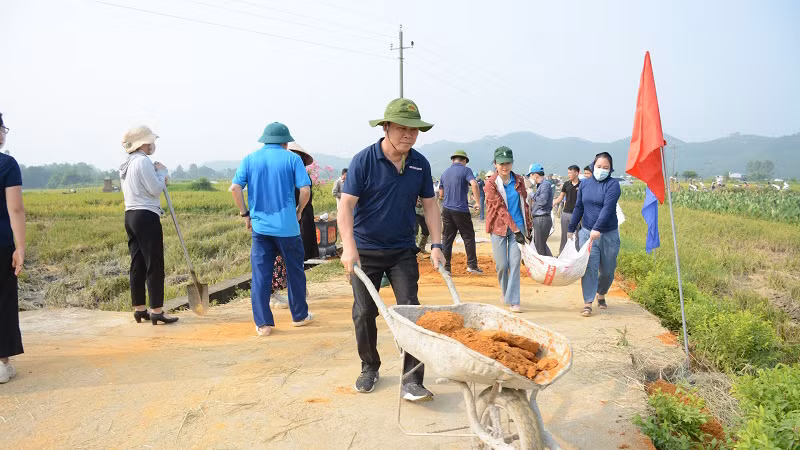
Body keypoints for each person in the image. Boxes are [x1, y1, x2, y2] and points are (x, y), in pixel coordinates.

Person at [339, 98, 445, 400]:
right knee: (363, 312)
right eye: (401, 128)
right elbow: (346, 206)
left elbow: (430, 206)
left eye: (414, 130)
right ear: (386, 127)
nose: (408, 135)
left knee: (410, 309)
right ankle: (369, 366)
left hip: (402, 250)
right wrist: (349, 248)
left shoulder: (419, 164)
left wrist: (436, 244)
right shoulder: (364, 161)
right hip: (365, 250)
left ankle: (412, 379)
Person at [231, 122, 315, 336]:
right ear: (286, 142)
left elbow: (235, 188)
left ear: (264, 140)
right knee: (295, 271)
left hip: (261, 229)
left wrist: (245, 214)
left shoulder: (250, 159)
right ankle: (300, 316)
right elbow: (305, 190)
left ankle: (263, 324)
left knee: (261, 275)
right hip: (288, 229)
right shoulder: (293, 159)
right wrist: (298, 211)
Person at [119, 126, 178, 325]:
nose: (154, 145)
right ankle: (157, 310)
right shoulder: (143, 162)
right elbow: (154, 190)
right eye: (151, 141)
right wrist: (162, 173)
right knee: (154, 263)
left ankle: (139, 309)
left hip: (131, 215)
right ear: (144, 143)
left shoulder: (127, 163)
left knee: (138, 262)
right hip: (146, 215)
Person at [568, 152, 622, 318]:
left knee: (607, 270)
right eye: (599, 166)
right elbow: (579, 207)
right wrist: (571, 228)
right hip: (587, 232)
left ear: (610, 169)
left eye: (606, 167)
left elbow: (607, 208)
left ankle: (602, 292)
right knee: (590, 268)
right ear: (593, 166)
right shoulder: (584, 185)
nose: (602, 170)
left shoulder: (613, 185)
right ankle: (588, 303)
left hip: (608, 234)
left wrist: (598, 228)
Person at [270, 143, 319, 310]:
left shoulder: (300, 175)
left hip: (300, 218)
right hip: (288, 220)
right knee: (280, 256)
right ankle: (277, 294)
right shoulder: (284, 176)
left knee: (295, 255)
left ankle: (297, 289)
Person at [485, 147, 531, 313]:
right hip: (498, 228)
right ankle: (505, 292)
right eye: (501, 163)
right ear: (495, 163)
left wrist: (528, 230)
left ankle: (514, 300)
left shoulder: (518, 180)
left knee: (515, 263)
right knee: (502, 265)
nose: (505, 166)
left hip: (518, 227)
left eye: (508, 163)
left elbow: (525, 205)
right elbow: (500, 209)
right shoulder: (490, 184)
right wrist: (516, 230)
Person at [0, 114, 26, 383]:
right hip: (1, 243)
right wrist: (20, 247)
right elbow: (15, 208)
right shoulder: (6, 164)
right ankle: (1, 363)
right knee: (3, 300)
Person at [439, 150, 482, 275]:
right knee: (468, 237)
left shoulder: (445, 173)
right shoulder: (466, 170)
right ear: (464, 161)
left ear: (453, 160)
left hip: (446, 210)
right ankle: (472, 266)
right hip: (461, 210)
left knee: (447, 238)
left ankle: (446, 268)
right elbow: (474, 184)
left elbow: (441, 194)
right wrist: (477, 202)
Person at [527, 163, 553, 257]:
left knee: (540, 246)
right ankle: (551, 265)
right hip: (540, 218)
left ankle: (547, 266)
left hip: (542, 219)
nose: (530, 178)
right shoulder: (540, 186)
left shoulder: (545, 185)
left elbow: (542, 201)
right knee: (541, 244)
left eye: (530, 175)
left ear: (535, 175)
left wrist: (531, 194)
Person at [554, 165, 581, 254]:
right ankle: (561, 254)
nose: (569, 174)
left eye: (570, 172)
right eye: (568, 172)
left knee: (576, 237)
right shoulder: (566, 184)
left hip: (577, 215)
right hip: (565, 213)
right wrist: (552, 203)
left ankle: (575, 255)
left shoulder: (582, 185)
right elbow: (560, 197)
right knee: (564, 236)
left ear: (577, 173)